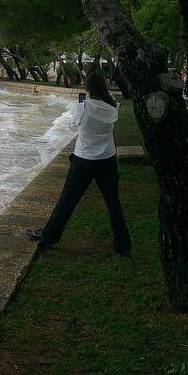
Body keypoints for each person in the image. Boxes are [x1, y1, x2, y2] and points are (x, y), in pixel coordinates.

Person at [27, 71, 131, 254]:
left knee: (67, 200)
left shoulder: (83, 108)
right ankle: (123, 245)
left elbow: (73, 127)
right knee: (113, 202)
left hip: (83, 160)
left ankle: (49, 237)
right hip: (107, 160)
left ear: (88, 88)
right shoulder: (114, 106)